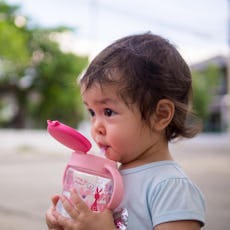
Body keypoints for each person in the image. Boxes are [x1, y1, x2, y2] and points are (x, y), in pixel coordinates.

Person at [46, 32, 206, 230]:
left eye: (108, 111)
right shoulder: (111, 179)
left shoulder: (171, 188)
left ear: (160, 115)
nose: (96, 126)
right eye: (91, 112)